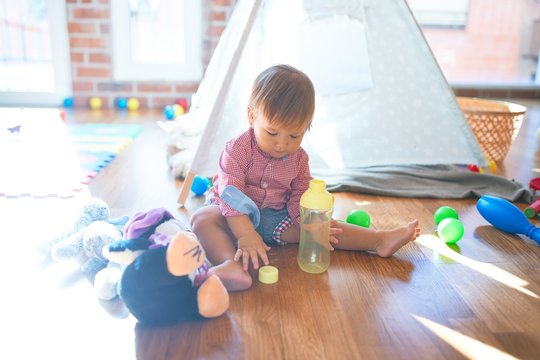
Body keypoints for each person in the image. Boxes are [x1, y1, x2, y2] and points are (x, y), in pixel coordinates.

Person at [190, 64, 420, 291]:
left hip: (275, 218)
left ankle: (378, 240)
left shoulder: (299, 159)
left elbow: (301, 195)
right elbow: (231, 196)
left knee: (325, 228)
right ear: (252, 116)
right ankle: (230, 264)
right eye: (272, 133)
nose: (282, 144)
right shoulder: (237, 150)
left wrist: (310, 227)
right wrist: (246, 234)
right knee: (202, 220)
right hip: (232, 218)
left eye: (294, 135)